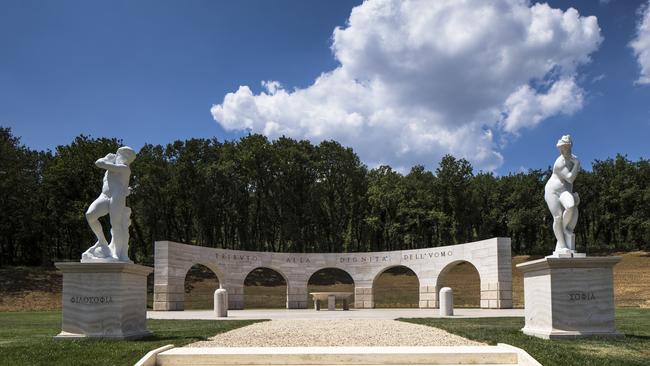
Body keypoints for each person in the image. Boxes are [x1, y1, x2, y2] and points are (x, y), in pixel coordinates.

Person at [82, 146, 136, 262]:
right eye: (126, 156)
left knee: (115, 224)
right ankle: (102, 240)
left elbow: (101, 163)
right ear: (118, 154)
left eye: (129, 159)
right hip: (104, 195)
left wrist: (106, 159)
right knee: (90, 215)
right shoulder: (112, 167)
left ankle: (116, 253)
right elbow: (98, 162)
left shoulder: (124, 168)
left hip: (117, 196)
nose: (127, 160)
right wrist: (106, 159)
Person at [544, 135, 580, 255]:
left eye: (566, 147)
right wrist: (577, 164)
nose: (564, 150)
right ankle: (562, 245)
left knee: (570, 206)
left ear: (570, 147)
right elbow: (570, 178)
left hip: (564, 190)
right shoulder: (559, 163)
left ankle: (564, 230)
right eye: (562, 148)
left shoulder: (573, 158)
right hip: (552, 191)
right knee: (558, 217)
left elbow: (569, 184)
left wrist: (572, 195)